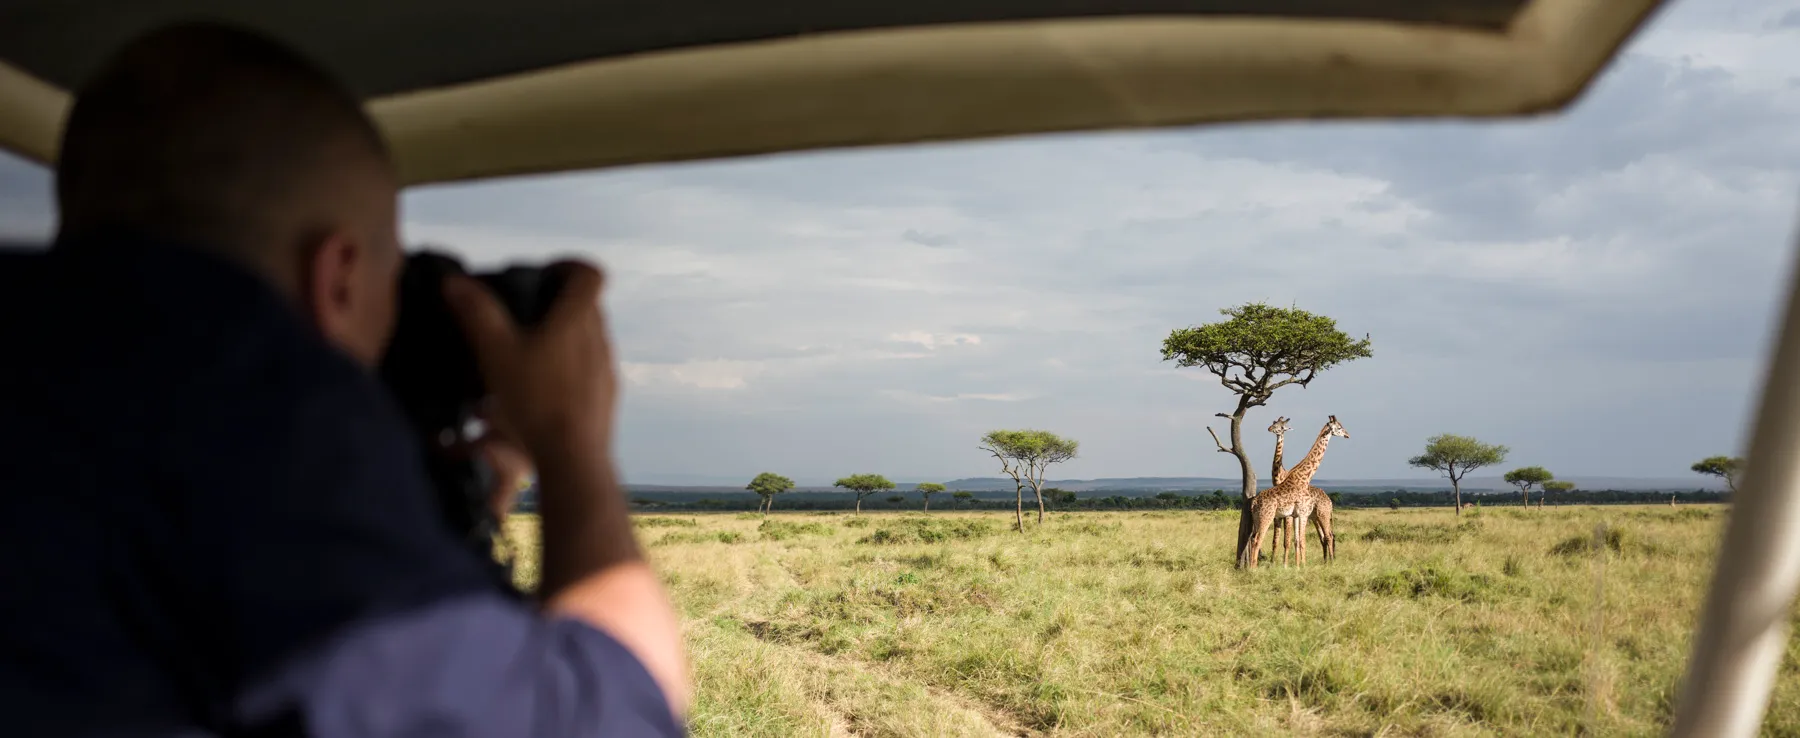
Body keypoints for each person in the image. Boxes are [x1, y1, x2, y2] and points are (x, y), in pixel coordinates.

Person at [0, 21, 690, 737]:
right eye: (395, 281)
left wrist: (472, 499)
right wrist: (569, 440)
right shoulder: (257, 409)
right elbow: (616, 715)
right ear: (337, 277)